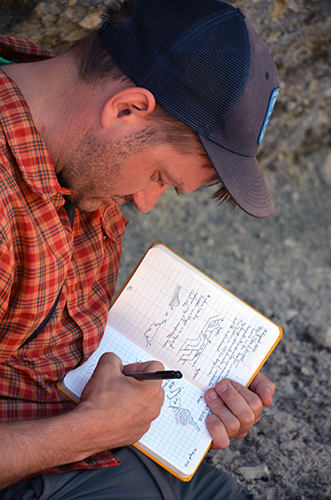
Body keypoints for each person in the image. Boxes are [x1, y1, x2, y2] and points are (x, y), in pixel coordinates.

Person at [0, 0, 280, 498]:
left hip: (98, 453)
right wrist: (84, 431)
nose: (145, 204)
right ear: (126, 108)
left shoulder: (69, 136)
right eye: (158, 177)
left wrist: (192, 395)